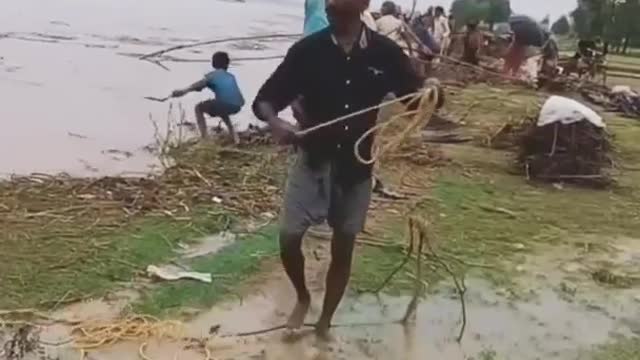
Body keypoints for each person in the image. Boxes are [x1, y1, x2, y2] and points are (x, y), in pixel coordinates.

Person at [252, 0, 420, 338]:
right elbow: (264, 99)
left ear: (362, 6)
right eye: (329, 4)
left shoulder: (385, 53)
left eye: (340, 5)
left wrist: (431, 90)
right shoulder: (307, 51)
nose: (331, 8)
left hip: (356, 168)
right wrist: (275, 123)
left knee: (343, 246)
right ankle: (301, 297)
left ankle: (325, 319)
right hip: (312, 159)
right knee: (288, 237)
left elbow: (415, 100)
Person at [172, 52, 244, 143]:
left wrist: (184, 91)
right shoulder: (231, 77)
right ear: (228, 64)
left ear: (213, 64)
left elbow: (200, 84)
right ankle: (234, 136)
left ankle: (204, 138)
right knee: (222, 110)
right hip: (237, 106)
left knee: (199, 108)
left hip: (225, 104)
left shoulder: (213, 75)